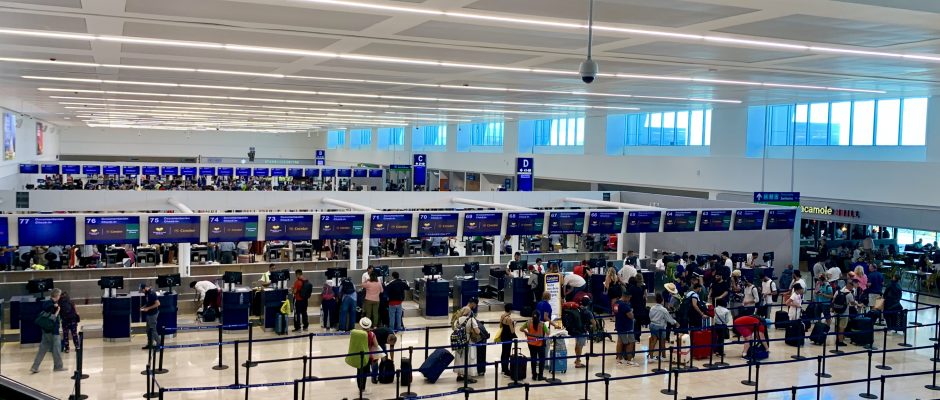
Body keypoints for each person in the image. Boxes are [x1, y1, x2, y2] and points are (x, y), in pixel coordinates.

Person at [31, 288, 66, 373]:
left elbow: (44, 311)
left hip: (45, 331)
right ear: (57, 295)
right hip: (53, 331)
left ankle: (35, 367)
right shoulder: (53, 305)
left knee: (42, 350)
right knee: (57, 349)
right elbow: (52, 318)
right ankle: (58, 366)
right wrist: (57, 310)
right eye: (59, 295)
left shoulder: (47, 302)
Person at [346, 317, 379, 395]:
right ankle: (363, 388)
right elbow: (376, 345)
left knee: (359, 371)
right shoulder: (372, 334)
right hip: (367, 356)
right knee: (365, 372)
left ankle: (359, 387)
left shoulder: (357, 334)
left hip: (358, 355)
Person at [452, 307, 480, 383]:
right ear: (469, 313)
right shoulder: (471, 320)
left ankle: (459, 375)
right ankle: (468, 376)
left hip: (459, 341)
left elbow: (454, 329)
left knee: (460, 356)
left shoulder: (457, 320)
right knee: (469, 357)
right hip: (469, 340)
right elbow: (477, 331)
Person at [648, 292, 676, 361]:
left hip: (652, 325)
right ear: (662, 300)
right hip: (660, 327)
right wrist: (675, 322)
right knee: (662, 342)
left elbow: (650, 316)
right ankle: (663, 357)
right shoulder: (663, 310)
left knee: (653, 341)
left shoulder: (652, 308)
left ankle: (650, 357)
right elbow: (669, 319)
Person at [520, 312, 547, 380]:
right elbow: (548, 332)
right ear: (539, 317)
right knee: (542, 360)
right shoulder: (542, 324)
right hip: (540, 344)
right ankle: (540, 376)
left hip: (531, 343)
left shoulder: (528, 322)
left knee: (533, 359)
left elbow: (521, 329)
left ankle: (534, 375)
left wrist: (526, 332)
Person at [833, 280, 859, 347]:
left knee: (837, 327)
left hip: (836, 312)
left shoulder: (837, 292)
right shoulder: (849, 294)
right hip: (844, 313)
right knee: (842, 328)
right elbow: (852, 303)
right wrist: (858, 304)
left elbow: (833, 300)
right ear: (850, 286)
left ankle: (837, 340)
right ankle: (840, 341)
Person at [614, 291, 637, 366]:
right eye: (629, 297)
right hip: (626, 327)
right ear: (626, 296)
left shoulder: (616, 303)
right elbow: (631, 316)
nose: (630, 299)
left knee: (620, 342)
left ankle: (619, 359)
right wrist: (632, 313)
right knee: (630, 342)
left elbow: (615, 312)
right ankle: (629, 360)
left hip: (619, 325)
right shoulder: (625, 305)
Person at [139, 282, 161, 350]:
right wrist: (143, 307)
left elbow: (157, 304)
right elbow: (148, 302)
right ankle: (150, 344)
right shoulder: (146, 293)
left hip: (153, 314)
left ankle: (159, 345)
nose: (142, 292)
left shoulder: (152, 293)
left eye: (142, 290)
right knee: (148, 330)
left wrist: (148, 308)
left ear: (145, 288)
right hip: (148, 314)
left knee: (153, 330)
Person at [497, 304, 517, 375]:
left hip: (503, 335)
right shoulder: (509, 319)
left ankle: (503, 369)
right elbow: (512, 331)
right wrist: (514, 324)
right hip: (508, 337)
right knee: (507, 353)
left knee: (503, 352)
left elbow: (500, 325)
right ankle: (506, 370)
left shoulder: (502, 316)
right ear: (510, 310)